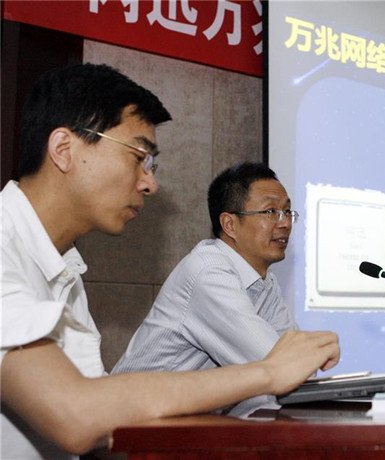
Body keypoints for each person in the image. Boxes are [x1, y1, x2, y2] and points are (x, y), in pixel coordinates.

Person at [0, 63, 339, 458]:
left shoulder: (65, 269)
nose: (150, 183)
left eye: (151, 165)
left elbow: (104, 419)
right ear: (64, 149)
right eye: (138, 157)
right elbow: (77, 415)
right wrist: (268, 372)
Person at [113, 163, 298, 379]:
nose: (285, 223)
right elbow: (276, 365)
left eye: (287, 212)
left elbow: (297, 363)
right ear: (230, 225)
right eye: (270, 212)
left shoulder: (266, 284)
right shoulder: (208, 273)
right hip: (135, 401)